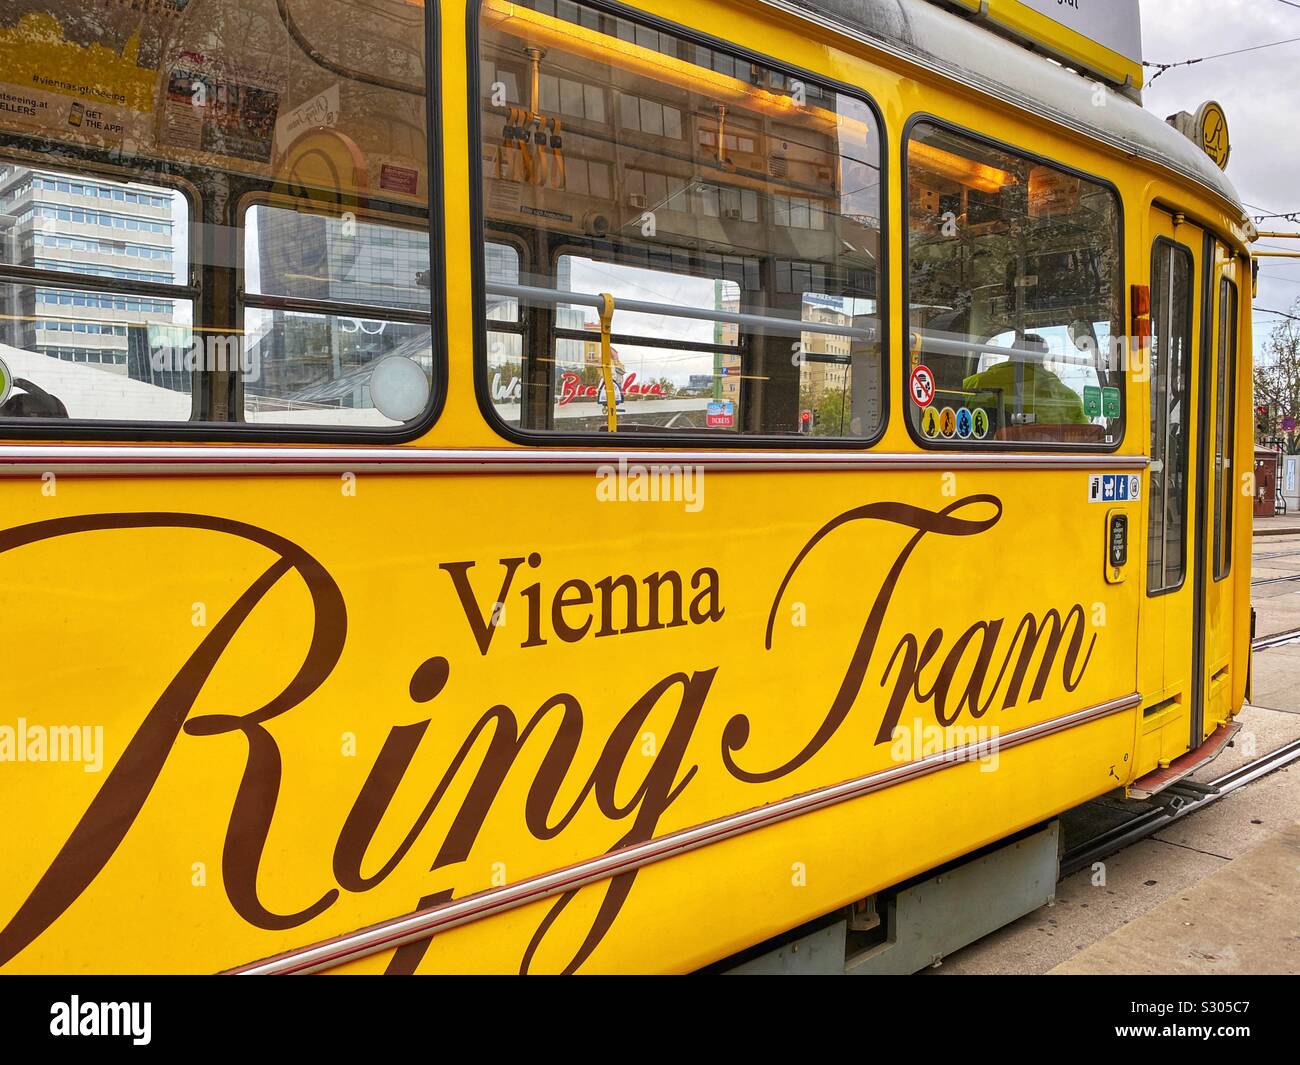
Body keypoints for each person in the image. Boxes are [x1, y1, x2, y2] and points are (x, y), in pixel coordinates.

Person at [961, 334, 1087, 427]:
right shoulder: (1068, 397)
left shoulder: (973, 383)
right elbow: (1085, 436)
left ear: (1011, 354)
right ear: (1042, 357)